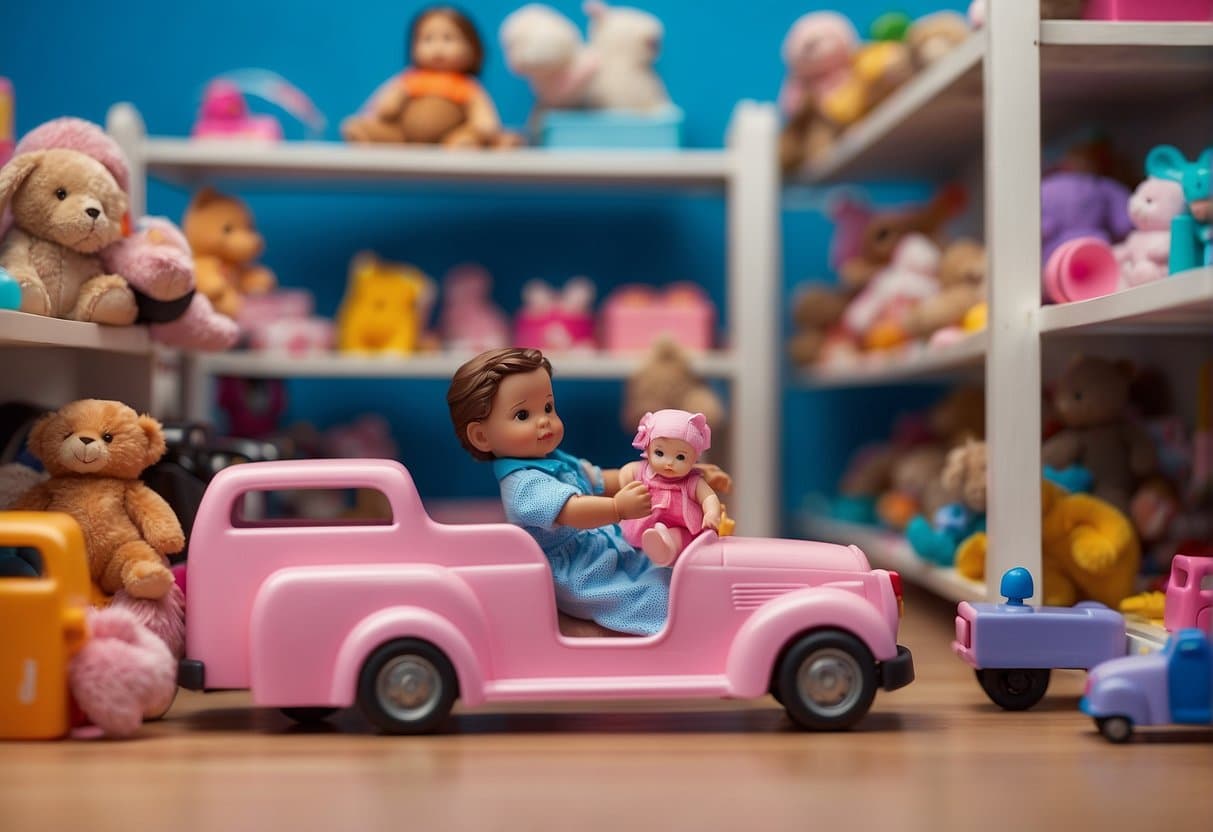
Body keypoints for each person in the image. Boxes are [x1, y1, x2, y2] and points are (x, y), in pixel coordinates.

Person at [446, 348, 728, 636]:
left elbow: (609, 478)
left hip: (603, 551)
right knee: (651, 595)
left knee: (668, 570)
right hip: (581, 573)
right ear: (482, 436)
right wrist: (618, 509)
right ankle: (669, 635)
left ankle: (690, 615)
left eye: (547, 408)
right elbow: (573, 510)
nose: (544, 420)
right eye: (522, 414)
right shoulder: (523, 486)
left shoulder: (555, 461)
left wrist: (681, 476)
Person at [618, 409, 722, 566]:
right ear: (647, 449)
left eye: (680, 457)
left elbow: (709, 497)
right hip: (644, 525)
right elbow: (625, 472)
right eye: (659, 453)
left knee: (678, 538)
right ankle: (646, 549)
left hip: (680, 529)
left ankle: (665, 550)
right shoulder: (641, 471)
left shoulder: (691, 482)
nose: (669, 463)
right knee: (630, 537)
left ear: (694, 458)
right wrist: (627, 488)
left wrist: (711, 513)